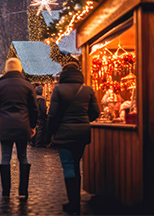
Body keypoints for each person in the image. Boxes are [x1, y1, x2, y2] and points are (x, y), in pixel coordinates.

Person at [47, 62, 100, 214]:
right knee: (76, 163)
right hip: (82, 133)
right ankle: (75, 201)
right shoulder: (87, 90)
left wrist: (49, 134)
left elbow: (53, 115)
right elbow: (95, 112)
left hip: (64, 134)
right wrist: (83, 120)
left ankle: (73, 203)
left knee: (68, 166)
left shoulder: (58, 89)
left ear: (64, 73)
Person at [0, 58, 39, 199]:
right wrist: (32, 125)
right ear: (20, 68)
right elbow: (34, 109)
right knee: (23, 157)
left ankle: (6, 191)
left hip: (5, 125)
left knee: (5, 157)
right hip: (23, 125)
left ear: (6, 68)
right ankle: (23, 190)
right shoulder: (27, 85)